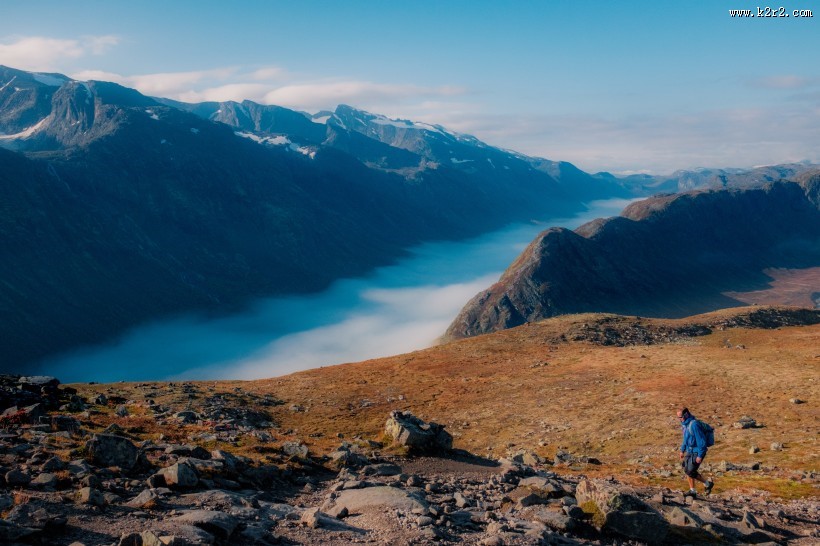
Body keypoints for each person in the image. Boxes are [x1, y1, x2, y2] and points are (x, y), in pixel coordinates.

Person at [677, 407, 714, 496]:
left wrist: (700, 455)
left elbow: (701, 441)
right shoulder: (685, 425)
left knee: (690, 471)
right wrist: (682, 450)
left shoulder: (694, 425)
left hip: (697, 451)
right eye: (678, 417)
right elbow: (685, 439)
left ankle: (705, 484)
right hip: (690, 450)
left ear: (685, 415)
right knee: (687, 469)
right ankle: (694, 490)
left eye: (680, 417)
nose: (679, 419)